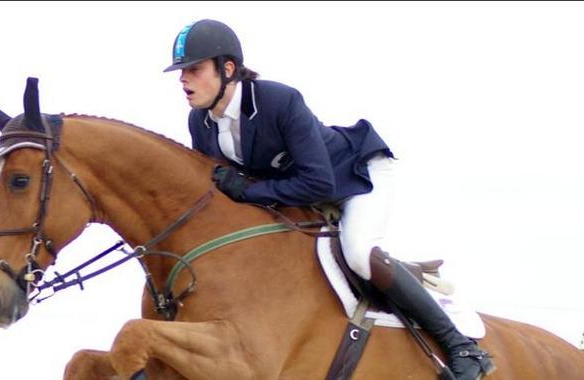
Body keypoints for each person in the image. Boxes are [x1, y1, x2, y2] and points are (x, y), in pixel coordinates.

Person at [163, 19, 495, 380]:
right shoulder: (201, 122)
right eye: (181, 72)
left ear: (227, 69)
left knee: (358, 253)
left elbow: (317, 181)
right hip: (303, 188)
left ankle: (463, 347)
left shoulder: (278, 100)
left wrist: (250, 191)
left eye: (193, 70)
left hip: (356, 177)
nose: (183, 80)